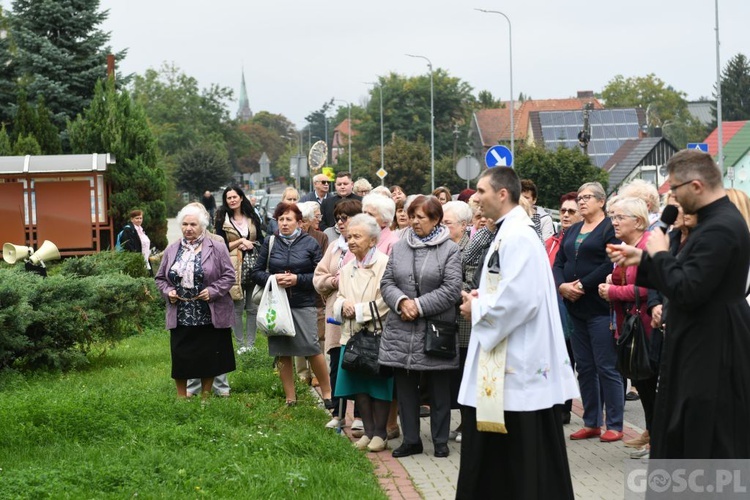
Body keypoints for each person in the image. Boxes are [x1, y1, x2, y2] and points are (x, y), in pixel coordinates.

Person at [608, 149, 750, 459]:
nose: (672, 196)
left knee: (706, 439)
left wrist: (659, 255)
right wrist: (645, 258)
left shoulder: (720, 228)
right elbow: (687, 275)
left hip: (713, 348)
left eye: (675, 188)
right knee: (683, 432)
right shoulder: (711, 224)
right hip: (699, 340)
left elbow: (688, 289)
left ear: (696, 186)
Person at [456, 167, 577, 499]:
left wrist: (476, 309)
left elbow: (522, 301)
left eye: (480, 191)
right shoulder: (506, 232)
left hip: (517, 362)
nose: (475, 198)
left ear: (501, 194)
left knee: (519, 451)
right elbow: (508, 288)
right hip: (507, 354)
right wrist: (484, 297)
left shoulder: (519, 236)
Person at [379, 195, 462, 459]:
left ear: (436, 219)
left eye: (421, 217)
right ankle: (411, 440)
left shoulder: (450, 249)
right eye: (412, 216)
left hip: (436, 329)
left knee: (439, 389)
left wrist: (418, 305)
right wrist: (402, 302)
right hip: (402, 328)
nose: (414, 221)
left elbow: (451, 290)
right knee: (405, 389)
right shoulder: (400, 247)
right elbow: (387, 282)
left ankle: (439, 441)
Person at [553, 181, 624, 443]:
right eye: (580, 197)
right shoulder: (572, 231)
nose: (581, 202)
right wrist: (561, 285)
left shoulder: (609, 229)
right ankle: (591, 421)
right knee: (584, 366)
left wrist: (582, 284)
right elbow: (560, 261)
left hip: (599, 307)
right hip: (575, 308)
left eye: (587, 197)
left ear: (601, 201)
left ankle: (614, 423)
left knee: (606, 366)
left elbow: (609, 262)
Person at [251, 202, 334, 408]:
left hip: (303, 303)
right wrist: (273, 278)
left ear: (299, 222)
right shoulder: (270, 242)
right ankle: (291, 397)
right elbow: (256, 272)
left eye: (289, 219)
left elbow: (318, 275)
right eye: (281, 219)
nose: (285, 223)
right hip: (278, 305)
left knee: (312, 348)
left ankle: (327, 393)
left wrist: (298, 279)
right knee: (282, 351)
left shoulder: (310, 243)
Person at [155, 204, 236, 399]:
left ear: (202, 226)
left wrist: (213, 291)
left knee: (208, 355)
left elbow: (228, 275)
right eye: (184, 224)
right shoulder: (172, 249)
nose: (188, 228)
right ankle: (182, 396)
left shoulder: (216, 247)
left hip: (208, 312)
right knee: (181, 354)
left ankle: (206, 397)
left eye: (193, 224)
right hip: (181, 311)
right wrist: (169, 292)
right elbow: (160, 278)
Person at [597, 197, 656, 457]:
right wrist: (613, 278)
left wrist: (614, 291)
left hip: (646, 327)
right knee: (640, 381)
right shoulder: (625, 245)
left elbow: (648, 287)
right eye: (612, 217)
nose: (614, 222)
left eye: (620, 217)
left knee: (649, 380)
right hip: (628, 326)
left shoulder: (647, 247)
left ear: (639, 221)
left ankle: (656, 438)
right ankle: (650, 431)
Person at [331, 214, 393, 452]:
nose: (351, 241)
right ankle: (367, 432)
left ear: (372, 240)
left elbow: (386, 300)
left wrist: (356, 309)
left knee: (379, 385)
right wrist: (342, 305)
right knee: (359, 385)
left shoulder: (385, 263)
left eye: (357, 236)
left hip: (377, 334)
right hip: (353, 335)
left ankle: (381, 433)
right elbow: (340, 296)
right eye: (349, 237)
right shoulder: (347, 268)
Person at [313, 199, 362, 427]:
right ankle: (338, 413)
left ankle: (360, 416)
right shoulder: (334, 247)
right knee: (336, 360)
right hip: (336, 312)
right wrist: (333, 280)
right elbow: (319, 276)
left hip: (359, 313)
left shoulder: (367, 245)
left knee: (361, 361)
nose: (341, 223)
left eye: (346, 218)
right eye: (338, 218)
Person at [544, 192, 581, 424]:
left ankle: (569, 408)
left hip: (573, 304)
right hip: (552, 305)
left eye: (571, 211)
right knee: (557, 357)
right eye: (563, 211)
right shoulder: (551, 241)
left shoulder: (579, 242)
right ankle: (557, 406)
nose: (566, 215)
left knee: (572, 358)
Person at [214, 186, 264, 354]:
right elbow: (219, 245)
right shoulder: (222, 218)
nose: (232, 200)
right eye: (229, 198)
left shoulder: (252, 216)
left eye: (235, 197)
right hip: (233, 268)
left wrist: (251, 243)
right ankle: (240, 345)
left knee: (252, 307)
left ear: (241, 198)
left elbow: (262, 240)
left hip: (253, 266)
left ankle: (251, 345)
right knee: (237, 307)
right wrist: (240, 241)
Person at [441, 200, 473, 443]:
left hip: (463, 323)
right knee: (451, 377)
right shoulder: (442, 246)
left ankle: (468, 424)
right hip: (444, 321)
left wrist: (446, 287)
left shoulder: (469, 249)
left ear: (463, 226)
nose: (442, 227)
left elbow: (472, 284)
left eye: (447, 223)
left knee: (465, 373)